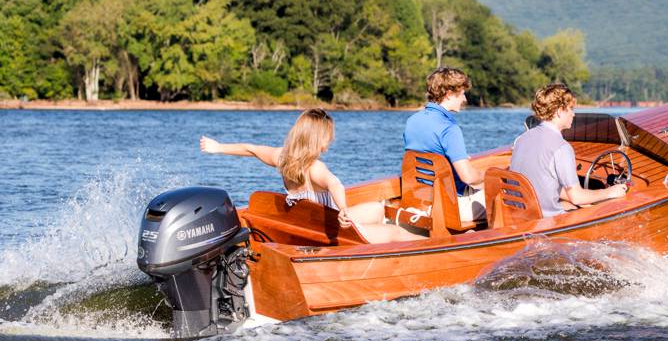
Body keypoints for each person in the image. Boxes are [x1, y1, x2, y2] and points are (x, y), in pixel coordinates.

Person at [200, 108, 421, 243]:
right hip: (332, 231)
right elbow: (335, 184)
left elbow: (251, 149)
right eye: (328, 136)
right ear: (318, 138)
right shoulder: (315, 168)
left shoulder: (282, 157)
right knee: (395, 232)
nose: (331, 140)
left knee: (377, 208)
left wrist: (218, 147)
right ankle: (434, 247)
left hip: (312, 225)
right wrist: (344, 209)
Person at [510, 83, 627, 217]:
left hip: (520, 214)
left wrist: (586, 200)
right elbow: (577, 197)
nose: (573, 114)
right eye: (570, 109)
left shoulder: (522, 139)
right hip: (544, 221)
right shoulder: (562, 148)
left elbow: (543, 182)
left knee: (574, 205)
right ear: (559, 111)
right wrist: (610, 192)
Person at [403, 67, 486, 222]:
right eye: (462, 94)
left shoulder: (412, 121)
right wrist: (488, 176)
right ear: (448, 94)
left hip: (420, 200)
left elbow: (428, 155)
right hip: (449, 206)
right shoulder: (449, 128)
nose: (465, 99)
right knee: (505, 198)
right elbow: (468, 177)